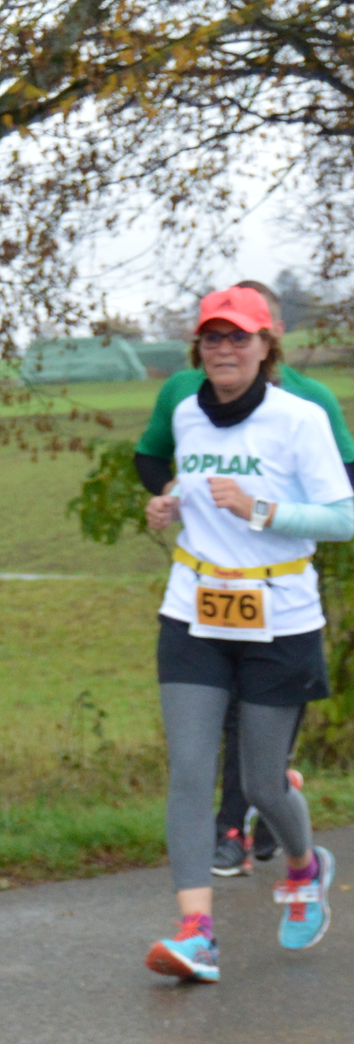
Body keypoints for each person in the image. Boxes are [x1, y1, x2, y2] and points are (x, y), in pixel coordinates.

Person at [139, 284, 353, 982]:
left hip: (280, 615)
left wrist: (264, 510)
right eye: (213, 337)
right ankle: (196, 934)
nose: (224, 349)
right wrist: (169, 502)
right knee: (190, 771)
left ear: (266, 346)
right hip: (194, 609)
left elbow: (344, 518)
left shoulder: (300, 418)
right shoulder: (187, 412)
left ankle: (304, 865)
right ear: (197, 347)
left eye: (239, 336)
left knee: (262, 782)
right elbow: (194, 482)